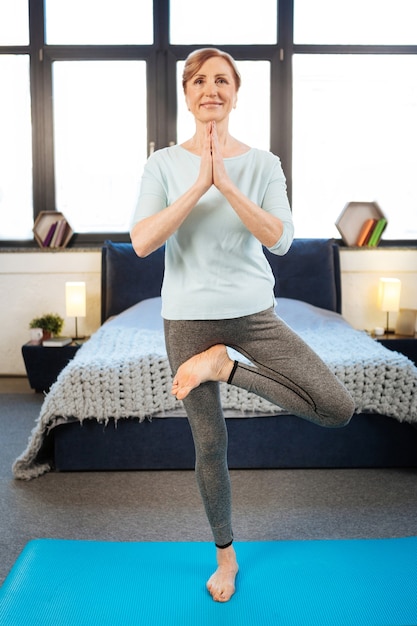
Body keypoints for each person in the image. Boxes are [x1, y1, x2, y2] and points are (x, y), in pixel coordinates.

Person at [130, 48, 355, 603]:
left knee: (337, 407)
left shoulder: (264, 164)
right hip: (185, 318)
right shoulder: (161, 165)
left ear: (235, 92)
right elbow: (141, 242)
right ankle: (225, 557)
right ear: (186, 93)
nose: (211, 88)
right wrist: (198, 184)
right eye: (200, 80)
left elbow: (280, 239)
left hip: (254, 316)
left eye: (222, 80)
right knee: (211, 445)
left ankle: (224, 367)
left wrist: (227, 184)